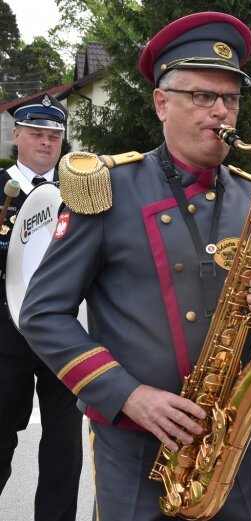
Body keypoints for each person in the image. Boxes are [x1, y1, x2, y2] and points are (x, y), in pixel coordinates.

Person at [18, 12, 251, 521]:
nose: (220, 113)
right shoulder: (107, 188)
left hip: (226, 447)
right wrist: (127, 394)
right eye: (203, 96)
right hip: (131, 441)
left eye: (230, 99)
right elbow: (42, 315)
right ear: (162, 103)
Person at [0, 92, 83, 521]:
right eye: (37, 134)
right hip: (5, 333)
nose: (47, 142)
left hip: (63, 334)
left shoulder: (79, 193)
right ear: (17, 136)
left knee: (65, 445)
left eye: (54, 135)